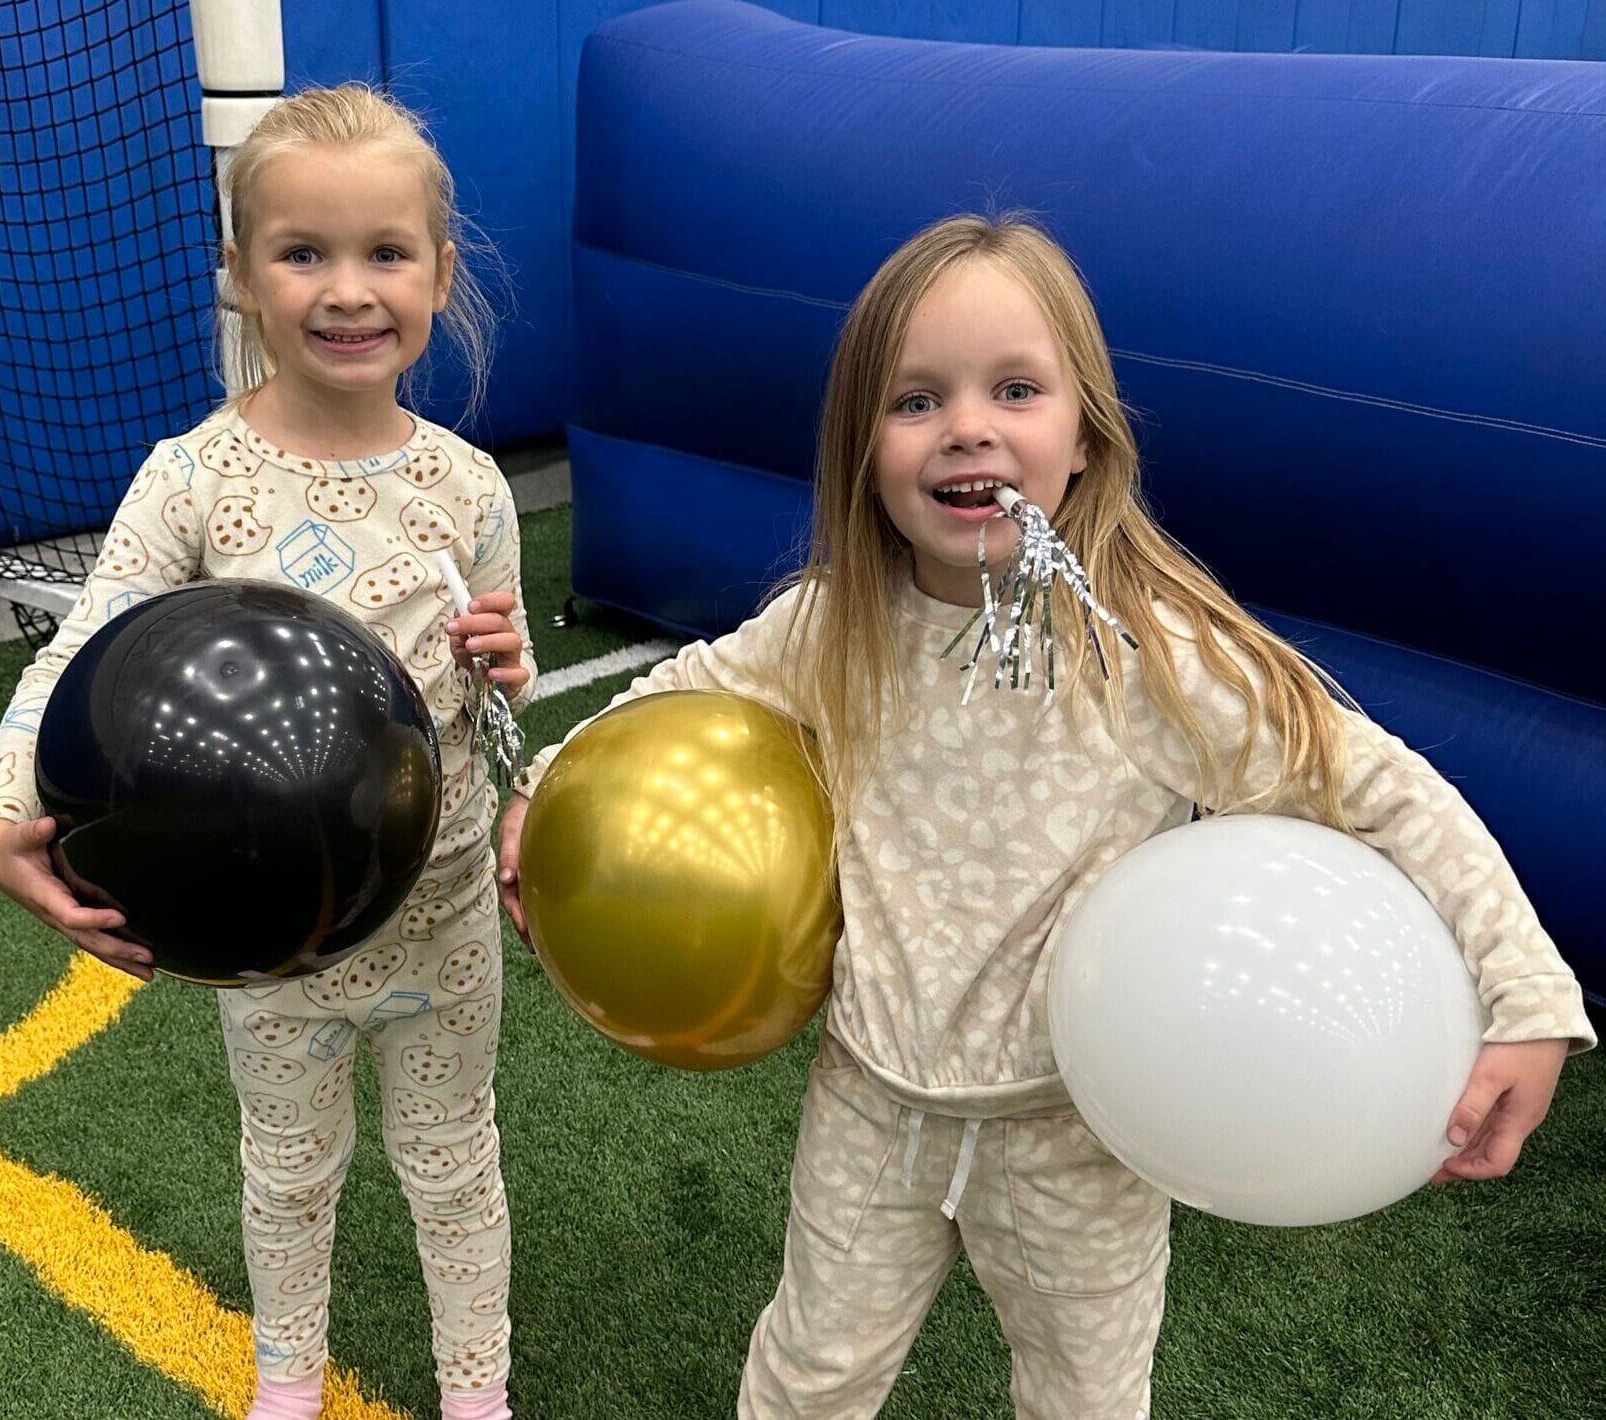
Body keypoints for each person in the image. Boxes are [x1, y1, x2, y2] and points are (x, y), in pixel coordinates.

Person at [496, 213, 1595, 1419]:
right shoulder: (829, 627)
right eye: (916, 400)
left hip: (1078, 1133)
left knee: (1085, 1397)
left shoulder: (1158, 657)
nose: (967, 424)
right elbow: (671, 693)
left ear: (1083, 437)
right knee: (809, 1377)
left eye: (1014, 388)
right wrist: (550, 789)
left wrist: (1527, 996)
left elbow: (1376, 785)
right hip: (872, 1105)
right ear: (862, 451)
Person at [0, 84, 531, 1420]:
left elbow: (504, 713)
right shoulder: (192, 478)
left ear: (439, 273)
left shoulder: (470, 486)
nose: (348, 291)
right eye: (303, 253)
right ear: (239, 277)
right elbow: (85, 651)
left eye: (385, 253)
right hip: (268, 925)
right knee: (288, 1160)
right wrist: (3, 817)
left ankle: (478, 1391)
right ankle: (284, 1378)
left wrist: (507, 681)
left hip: (441, 903)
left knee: (453, 1156)